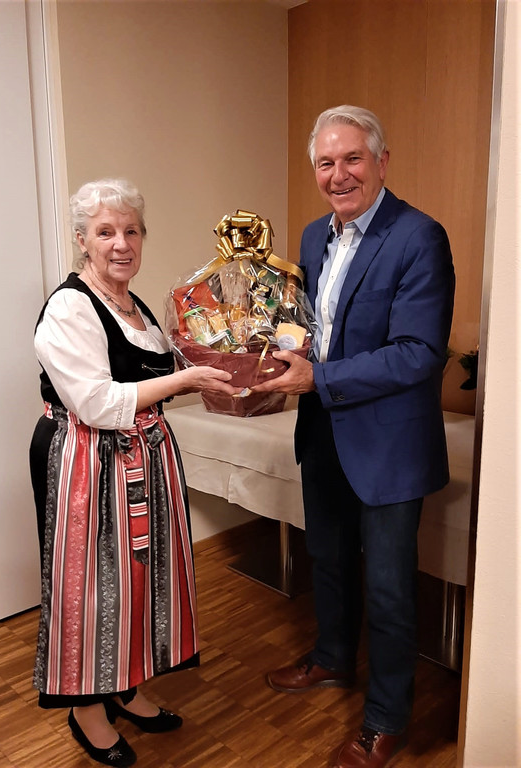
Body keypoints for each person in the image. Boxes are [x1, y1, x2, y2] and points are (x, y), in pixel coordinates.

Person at [253, 106, 455, 768]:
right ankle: (333, 658)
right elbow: (313, 326)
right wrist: (268, 354)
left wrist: (319, 377)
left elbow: (418, 352)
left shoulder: (419, 236)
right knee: (330, 561)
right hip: (323, 434)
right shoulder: (313, 236)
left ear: (382, 162)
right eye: (325, 163)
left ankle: (386, 720)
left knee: (391, 589)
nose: (338, 175)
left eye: (352, 159)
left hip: (389, 445)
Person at [29, 178, 236, 767]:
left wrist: (231, 350)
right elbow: (96, 402)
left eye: (131, 231)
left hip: (141, 455)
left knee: (138, 582)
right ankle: (86, 711)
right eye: (105, 232)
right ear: (82, 240)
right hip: (86, 460)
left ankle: (124, 687)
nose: (121, 243)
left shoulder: (136, 306)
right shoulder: (70, 307)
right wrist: (185, 380)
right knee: (92, 588)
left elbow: (165, 369)